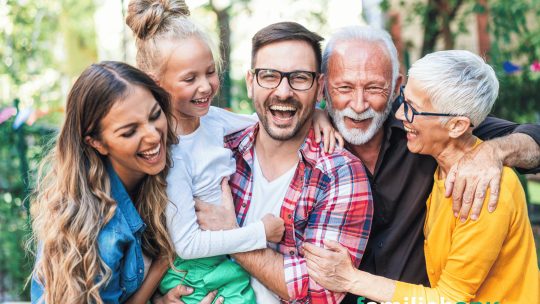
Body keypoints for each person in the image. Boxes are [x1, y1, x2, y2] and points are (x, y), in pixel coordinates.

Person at [125, 2, 342, 303]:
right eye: (190, 79)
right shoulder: (171, 153)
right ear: (156, 83)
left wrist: (316, 113)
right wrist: (259, 233)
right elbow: (186, 244)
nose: (205, 86)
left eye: (210, 72)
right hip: (194, 268)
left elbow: (267, 118)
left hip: (220, 259)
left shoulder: (212, 120)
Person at [316, 25, 540, 303]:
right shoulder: (439, 166)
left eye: (374, 87)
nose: (359, 104)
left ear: (396, 86)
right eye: (344, 87)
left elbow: (450, 298)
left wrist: (494, 152)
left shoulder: (477, 183)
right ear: (323, 87)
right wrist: (315, 115)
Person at [195, 21, 373, 304]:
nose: (283, 91)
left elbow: (320, 292)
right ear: (251, 83)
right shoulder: (218, 151)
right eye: (269, 76)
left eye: (300, 77)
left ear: (319, 87)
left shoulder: (340, 173)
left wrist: (230, 235)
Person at [29, 61, 201, 304]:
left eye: (155, 115)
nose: (153, 136)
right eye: (129, 132)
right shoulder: (99, 230)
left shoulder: (160, 173)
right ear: (96, 142)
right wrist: (162, 264)